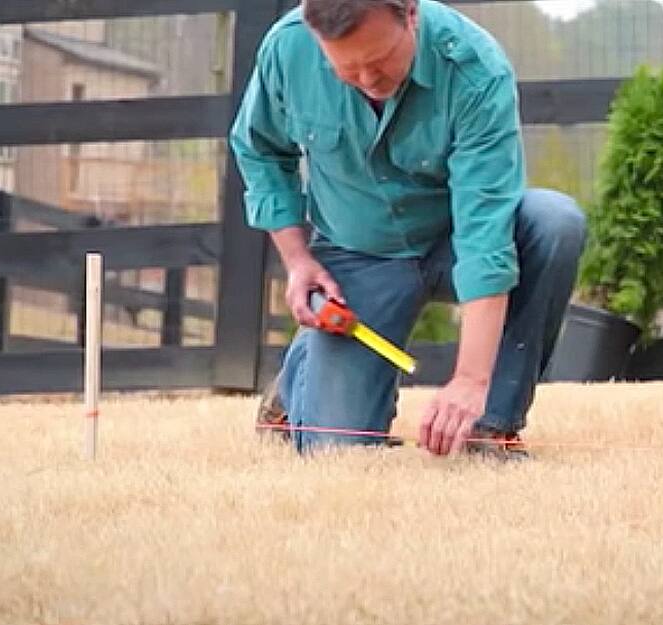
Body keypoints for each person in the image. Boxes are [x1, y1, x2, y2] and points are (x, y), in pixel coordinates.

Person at [231, 0, 586, 458]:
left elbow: (485, 235)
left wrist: (471, 380)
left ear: (411, 13)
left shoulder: (475, 69)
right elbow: (259, 150)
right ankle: (297, 384)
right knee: (338, 452)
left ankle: (489, 429)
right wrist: (299, 262)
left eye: (380, 60)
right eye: (346, 68)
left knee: (554, 222)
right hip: (357, 251)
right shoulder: (288, 48)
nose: (367, 79)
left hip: (455, 240)